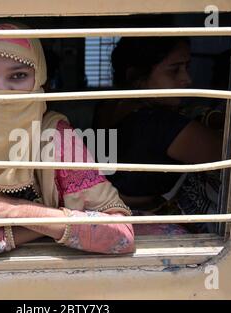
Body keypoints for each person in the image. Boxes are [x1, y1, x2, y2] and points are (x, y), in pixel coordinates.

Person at [0, 22, 138, 260]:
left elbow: (120, 235)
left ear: (39, 78)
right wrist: (46, 223)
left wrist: (15, 211)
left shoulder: (54, 135)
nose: (1, 92)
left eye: (19, 76)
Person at [94, 36, 223, 232]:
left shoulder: (107, 107)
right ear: (136, 76)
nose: (187, 79)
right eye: (174, 70)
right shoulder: (162, 125)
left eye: (187, 67)